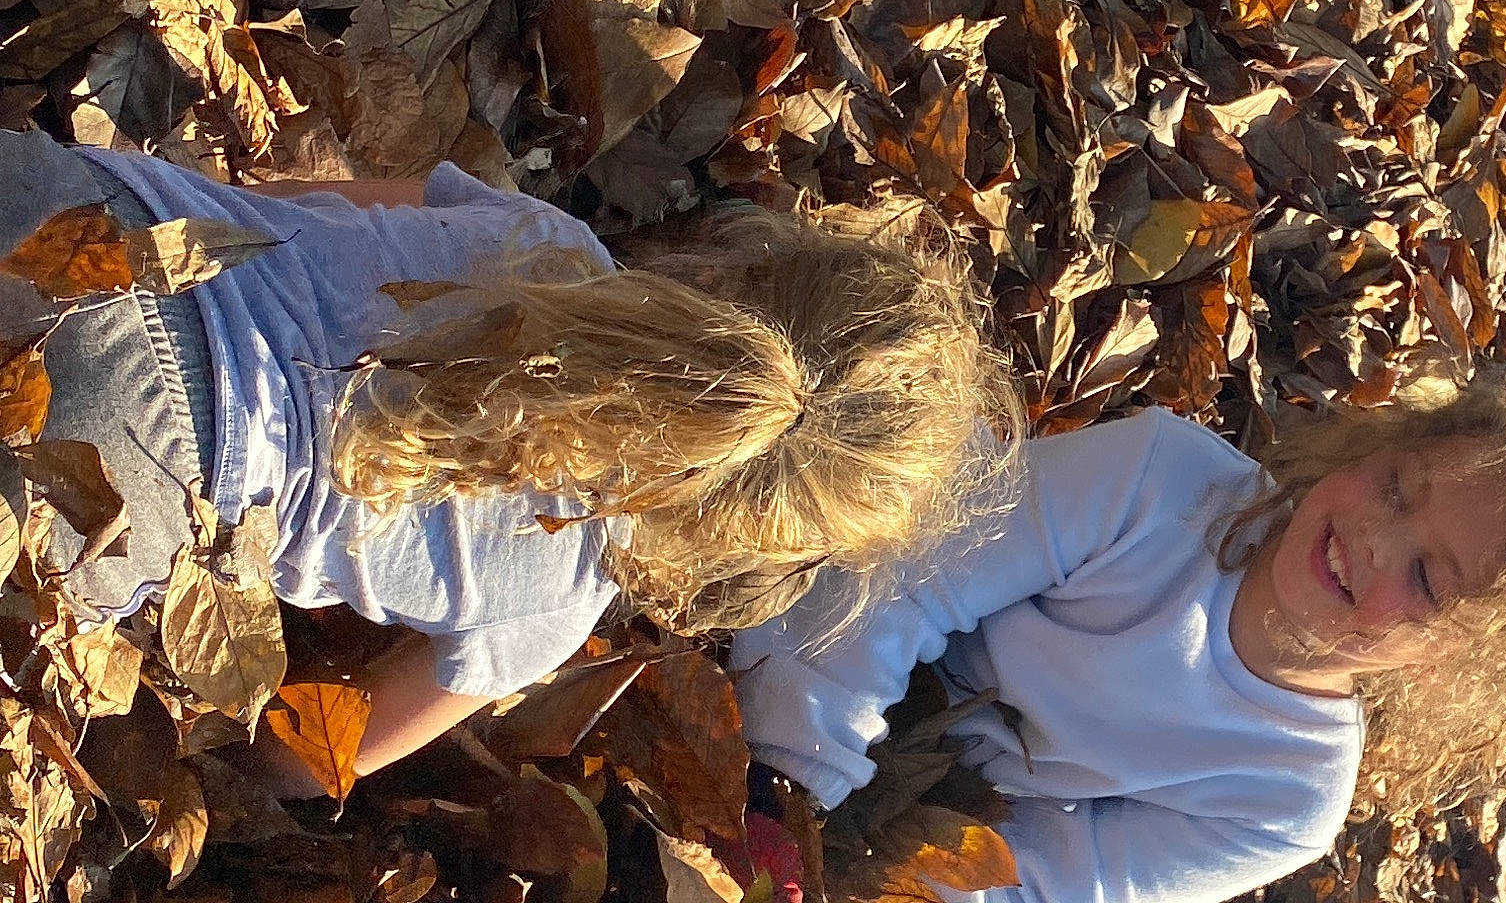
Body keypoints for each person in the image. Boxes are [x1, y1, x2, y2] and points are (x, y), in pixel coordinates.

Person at [0, 129, 1019, 788]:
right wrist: (218, 763)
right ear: (747, 538)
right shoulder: (547, 613)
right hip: (132, 483)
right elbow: (323, 759)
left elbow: (288, 199)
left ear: (744, 266)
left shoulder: (543, 234)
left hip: (87, 222)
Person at [731, 371, 1506, 903]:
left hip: (899, 809)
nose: (1374, 539)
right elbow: (904, 579)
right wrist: (789, 787)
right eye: (1396, 486)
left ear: (1455, 657)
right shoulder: (1158, 481)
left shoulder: (1286, 796)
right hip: (819, 630)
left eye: (1424, 578)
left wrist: (846, 879)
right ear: (1370, 447)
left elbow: (1052, 888)